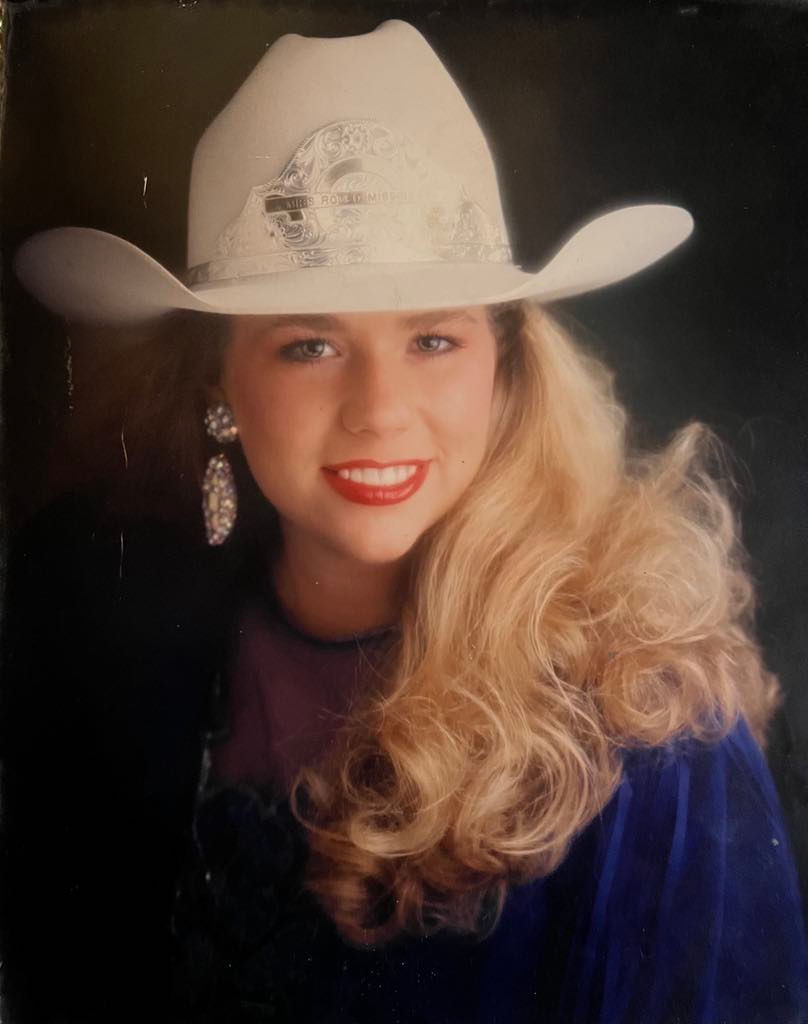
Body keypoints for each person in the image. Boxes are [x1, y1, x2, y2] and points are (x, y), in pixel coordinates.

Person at [4, 18, 806, 1024]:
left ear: (505, 370)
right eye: (309, 345)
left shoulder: (651, 725)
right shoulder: (127, 655)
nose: (380, 409)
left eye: (433, 337)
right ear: (221, 381)